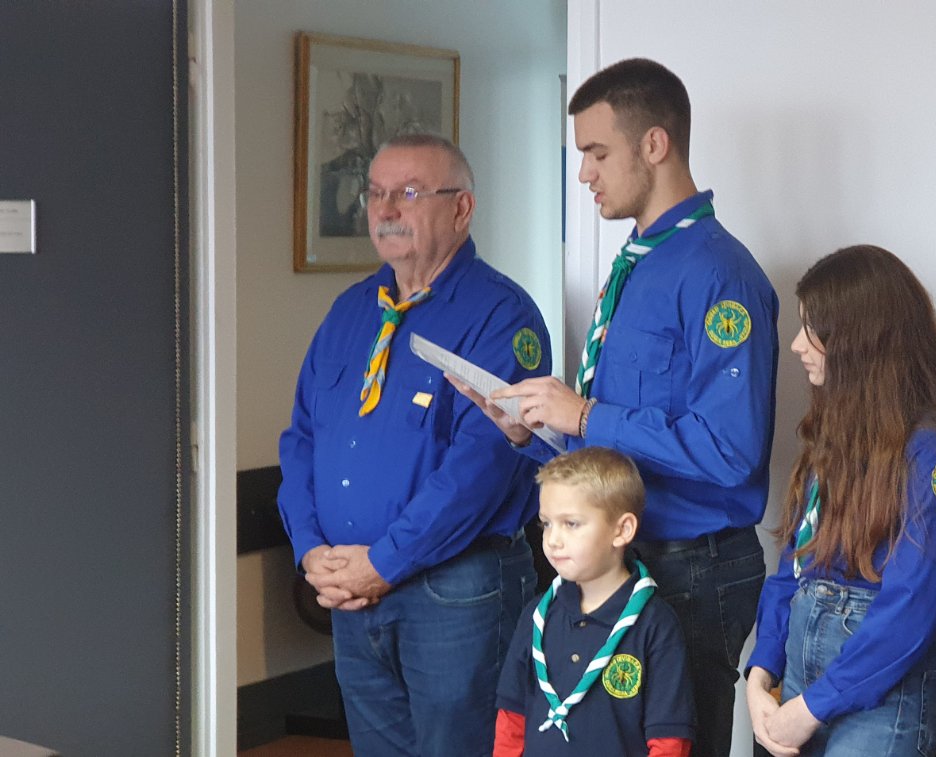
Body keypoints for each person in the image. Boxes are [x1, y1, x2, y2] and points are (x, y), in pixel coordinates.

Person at [453, 58, 778, 757]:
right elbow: (616, 436)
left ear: (654, 144)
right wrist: (534, 432)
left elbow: (731, 449)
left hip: (690, 564)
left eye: (597, 153)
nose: (584, 174)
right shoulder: (637, 262)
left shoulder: (719, 273)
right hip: (615, 555)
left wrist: (583, 415)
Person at [277, 133, 550, 755]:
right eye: (375, 193)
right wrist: (310, 549)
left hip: (455, 594)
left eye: (407, 192)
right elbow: (301, 439)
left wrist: (383, 563)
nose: (385, 209)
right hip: (350, 590)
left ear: (462, 208)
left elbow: (479, 468)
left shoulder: (501, 316)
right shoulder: (350, 312)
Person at [742, 245, 936, 756]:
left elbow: (912, 607)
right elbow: (793, 563)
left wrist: (812, 708)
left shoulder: (934, 454)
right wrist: (760, 672)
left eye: (812, 329)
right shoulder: (837, 435)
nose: (797, 344)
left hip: (880, 705)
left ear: (859, 340)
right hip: (798, 681)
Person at [493, 446, 694, 757]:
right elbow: (512, 718)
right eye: (546, 523)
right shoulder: (536, 615)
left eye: (571, 523)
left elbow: (669, 741)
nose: (553, 540)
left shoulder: (655, 624)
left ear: (622, 530)